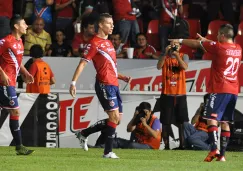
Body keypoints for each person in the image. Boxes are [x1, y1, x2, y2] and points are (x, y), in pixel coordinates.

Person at [169, 24, 242, 162]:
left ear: (222, 36)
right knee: (225, 121)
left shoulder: (219, 47)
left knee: (211, 118)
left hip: (219, 89)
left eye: (218, 36)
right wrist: (206, 41)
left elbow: (197, 44)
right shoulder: (238, 49)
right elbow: (215, 45)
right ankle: (222, 156)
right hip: (233, 90)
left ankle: (214, 149)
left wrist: (179, 40)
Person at [69, 13, 131, 159]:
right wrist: (73, 82)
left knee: (117, 119)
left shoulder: (109, 43)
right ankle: (108, 152)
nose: (112, 26)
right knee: (114, 117)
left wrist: (122, 77)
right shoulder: (94, 43)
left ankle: (83, 133)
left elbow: (110, 67)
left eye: (112, 23)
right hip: (104, 84)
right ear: (101, 25)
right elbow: (83, 63)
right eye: (109, 23)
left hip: (114, 83)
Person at [0, 15, 34, 155]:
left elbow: (17, 61)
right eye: (24, 24)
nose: (26, 26)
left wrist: (25, 72)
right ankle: (19, 146)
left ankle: (19, 146)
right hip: (4, 82)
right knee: (15, 111)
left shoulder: (19, 41)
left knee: (13, 112)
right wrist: (2, 73)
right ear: (16, 26)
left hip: (11, 81)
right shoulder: (5, 41)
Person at [157, 42, 189, 150]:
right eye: (172, 44)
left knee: (181, 121)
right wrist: (165, 53)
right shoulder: (165, 57)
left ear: (180, 46)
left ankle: (182, 145)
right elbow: (159, 66)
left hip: (180, 93)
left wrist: (176, 56)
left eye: (176, 44)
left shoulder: (184, 55)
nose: (174, 46)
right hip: (167, 93)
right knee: (165, 121)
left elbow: (184, 67)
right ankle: (166, 146)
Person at [95, 102, 161, 149]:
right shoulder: (139, 118)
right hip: (138, 144)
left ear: (150, 111)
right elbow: (129, 129)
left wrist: (145, 125)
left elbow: (155, 135)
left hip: (150, 146)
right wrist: (134, 117)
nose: (145, 114)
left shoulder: (155, 120)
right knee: (117, 140)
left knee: (132, 145)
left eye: (146, 112)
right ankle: (97, 148)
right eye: (143, 112)